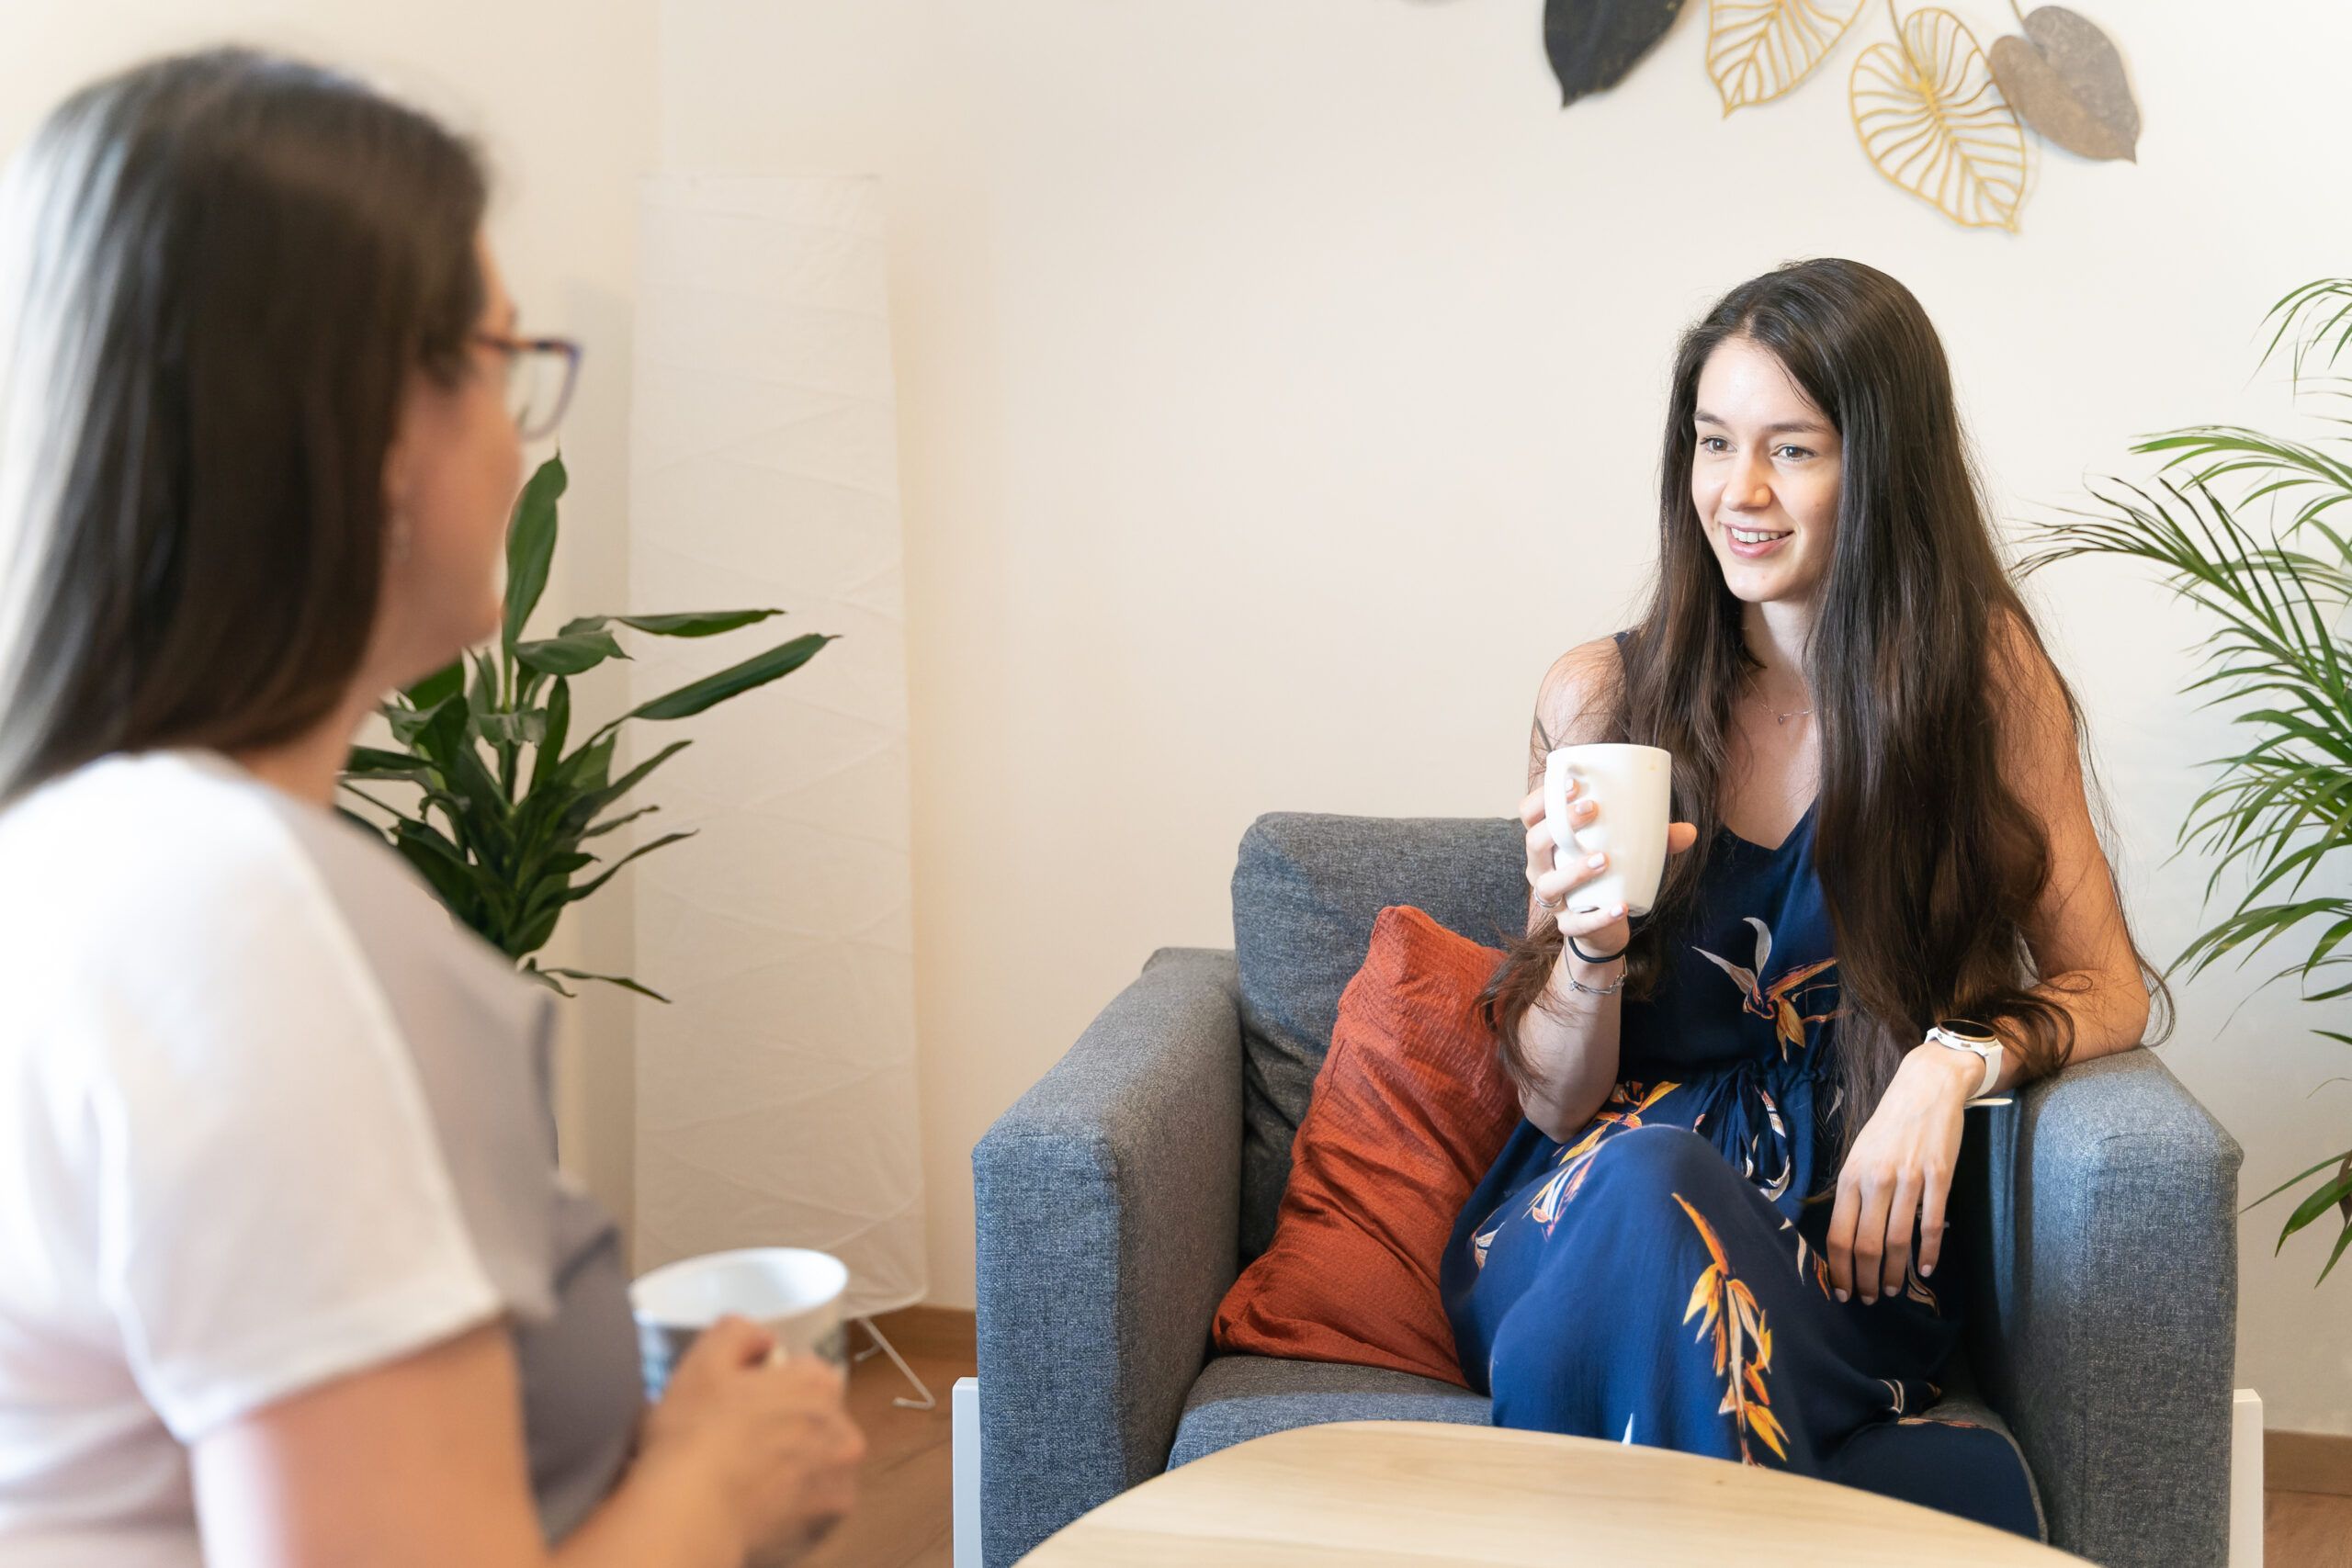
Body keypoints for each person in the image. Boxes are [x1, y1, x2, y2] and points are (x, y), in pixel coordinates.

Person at [0, 49, 863, 1567]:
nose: (525, 442)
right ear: (375, 426)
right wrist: (718, 1490)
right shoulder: (256, 932)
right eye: (507, 361)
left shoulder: (70, 859)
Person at [1442, 257, 2166, 1533]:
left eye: (1794, 449)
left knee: (1672, 1241)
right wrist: (1592, 950)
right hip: (1583, 1230)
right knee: (1645, 1182)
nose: (1741, 492)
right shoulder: (1600, 702)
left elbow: (2111, 985)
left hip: (1839, 1260)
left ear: (1880, 469)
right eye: (1714, 443)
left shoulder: (1982, 688)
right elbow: (1555, 1102)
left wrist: (1951, 1064)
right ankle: (1908, 1499)